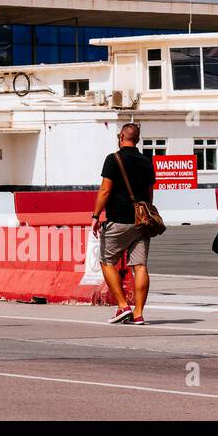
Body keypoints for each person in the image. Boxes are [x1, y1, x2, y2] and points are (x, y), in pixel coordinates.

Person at [91, 122, 156, 325]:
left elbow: (105, 190)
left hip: (118, 219)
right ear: (137, 139)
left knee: (107, 261)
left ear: (121, 137)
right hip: (141, 221)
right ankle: (138, 313)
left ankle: (122, 306)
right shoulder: (147, 160)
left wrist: (95, 215)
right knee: (140, 266)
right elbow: (149, 192)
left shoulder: (113, 159)